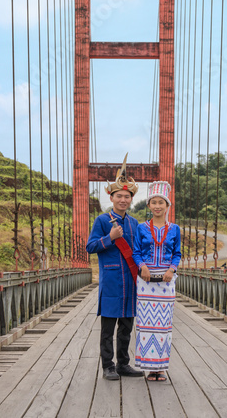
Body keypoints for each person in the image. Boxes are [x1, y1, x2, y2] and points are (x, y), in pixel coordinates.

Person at [86, 154, 144, 380]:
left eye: (127, 196)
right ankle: (108, 366)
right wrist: (109, 237)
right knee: (108, 328)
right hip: (111, 281)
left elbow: (139, 251)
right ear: (112, 198)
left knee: (126, 327)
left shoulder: (133, 223)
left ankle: (123, 364)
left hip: (130, 280)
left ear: (131, 199)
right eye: (119, 196)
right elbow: (91, 247)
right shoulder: (102, 221)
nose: (123, 200)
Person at [132, 181, 181, 382]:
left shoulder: (175, 229)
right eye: (154, 202)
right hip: (145, 279)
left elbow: (177, 253)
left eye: (162, 202)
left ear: (167, 206)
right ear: (149, 205)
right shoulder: (141, 228)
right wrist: (142, 266)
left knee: (163, 324)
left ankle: (161, 368)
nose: (158, 206)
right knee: (147, 323)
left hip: (166, 280)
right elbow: (136, 251)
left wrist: (172, 269)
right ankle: (149, 367)